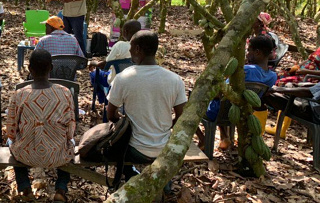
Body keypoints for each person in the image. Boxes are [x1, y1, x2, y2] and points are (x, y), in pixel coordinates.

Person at [106, 31, 187, 182]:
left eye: (131, 48)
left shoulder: (124, 78)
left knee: (115, 145)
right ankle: (162, 182)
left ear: (137, 49)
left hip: (134, 148)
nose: (129, 52)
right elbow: (181, 117)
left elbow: (110, 114)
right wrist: (165, 129)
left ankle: (130, 175)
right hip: (164, 147)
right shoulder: (174, 79)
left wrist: (124, 121)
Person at [7, 50, 75, 202]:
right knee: (71, 143)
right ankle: (61, 189)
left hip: (26, 154)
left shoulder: (20, 94)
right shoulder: (64, 93)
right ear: (51, 68)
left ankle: (25, 189)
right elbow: (70, 131)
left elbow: (11, 131)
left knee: (10, 142)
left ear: (30, 69)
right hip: (57, 154)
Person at [198, 35, 277, 150]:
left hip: (219, 112)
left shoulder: (245, 70)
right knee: (224, 102)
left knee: (191, 103)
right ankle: (224, 136)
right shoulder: (273, 76)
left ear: (258, 52)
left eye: (249, 50)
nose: (247, 53)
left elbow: (221, 91)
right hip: (241, 113)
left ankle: (203, 139)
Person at [89, 20, 141, 90]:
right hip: (135, 81)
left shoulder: (120, 45)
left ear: (125, 32)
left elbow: (105, 66)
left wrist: (93, 63)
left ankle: (105, 99)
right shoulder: (143, 48)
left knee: (94, 75)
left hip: (115, 82)